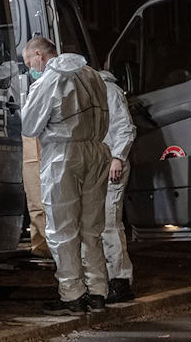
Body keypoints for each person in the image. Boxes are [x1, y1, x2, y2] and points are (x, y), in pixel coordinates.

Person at [21, 36, 111, 315]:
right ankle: (97, 292)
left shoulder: (50, 79)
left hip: (63, 155)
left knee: (62, 229)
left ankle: (72, 295)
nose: (30, 69)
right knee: (92, 228)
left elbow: (29, 124)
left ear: (39, 54)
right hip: (97, 151)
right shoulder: (93, 76)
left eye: (29, 63)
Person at [100, 70, 137, 303]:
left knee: (110, 222)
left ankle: (120, 280)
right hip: (101, 163)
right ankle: (111, 279)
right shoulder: (97, 90)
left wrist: (118, 158)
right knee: (104, 223)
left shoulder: (108, 91)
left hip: (112, 163)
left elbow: (125, 127)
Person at [22, 135, 51, 258]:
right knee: (35, 198)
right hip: (30, 142)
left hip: (50, 142)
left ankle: (49, 245)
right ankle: (42, 245)